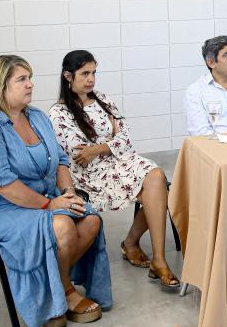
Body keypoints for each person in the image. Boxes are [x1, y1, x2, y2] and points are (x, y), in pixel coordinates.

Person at [0, 55, 111, 327]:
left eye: (29, 78)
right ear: (0, 87)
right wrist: (50, 206)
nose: (30, 84)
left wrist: (68, 192)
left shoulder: (37, 116)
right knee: (64, 227)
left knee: (90, 220)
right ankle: (65, 291)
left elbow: (61, 160)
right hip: (4, 206)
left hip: (49, 197)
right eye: (22, 79)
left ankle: (55, 285)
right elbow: (2, 183)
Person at [48, 50, 179, 289]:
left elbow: (126, 138)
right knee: (154, 191)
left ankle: (158, 259)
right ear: (68, 76)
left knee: (157, 177)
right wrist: (109, 143)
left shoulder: (103, 99)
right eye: (85, 73)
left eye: (94, 73)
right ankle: (130, 244)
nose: (91, 79)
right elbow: (79, 153)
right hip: (88, 176)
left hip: (119, 162)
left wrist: (98, 148)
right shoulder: (59, 113)